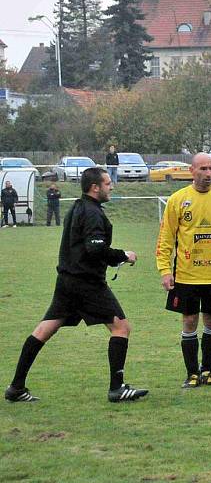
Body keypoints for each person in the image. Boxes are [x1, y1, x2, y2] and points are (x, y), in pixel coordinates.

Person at [5, 167, 147, 403]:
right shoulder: (92, 213)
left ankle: (16, 387)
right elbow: (95, 248)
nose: (111, 187)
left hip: (67, 282)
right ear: (95, 187)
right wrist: (123, 255)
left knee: (44, 330)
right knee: (121, 328)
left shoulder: (77, 208)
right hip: (86, 283)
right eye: (108, 183)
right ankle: (117, 388)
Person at [156, 153, 211, 389]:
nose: (208, 174)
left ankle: (207, 371)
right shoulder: (178, 200)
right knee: (189, 321)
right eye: (203, 169)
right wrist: (165, 270)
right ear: (191, 170)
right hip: (187, 274)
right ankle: (191, 373)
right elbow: (166, 238)